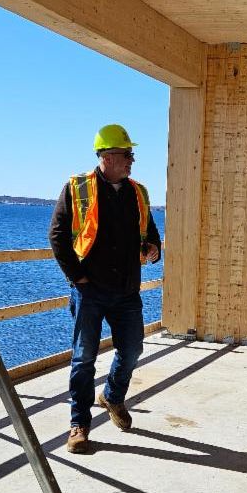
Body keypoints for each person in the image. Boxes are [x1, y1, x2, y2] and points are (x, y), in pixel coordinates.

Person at [49, 124, 161, 454]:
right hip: (90, 292)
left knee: (132, 351)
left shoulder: (138, 193)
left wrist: (153, 249)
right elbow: (57, 237)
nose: (132, 161)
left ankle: (111, 396)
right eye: (128, 155)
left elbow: (150, 233)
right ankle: (79, 425)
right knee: (83, 360)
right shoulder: (77, 188)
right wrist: (77, 278)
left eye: (131, 155)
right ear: (108, 157)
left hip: (126, 292)